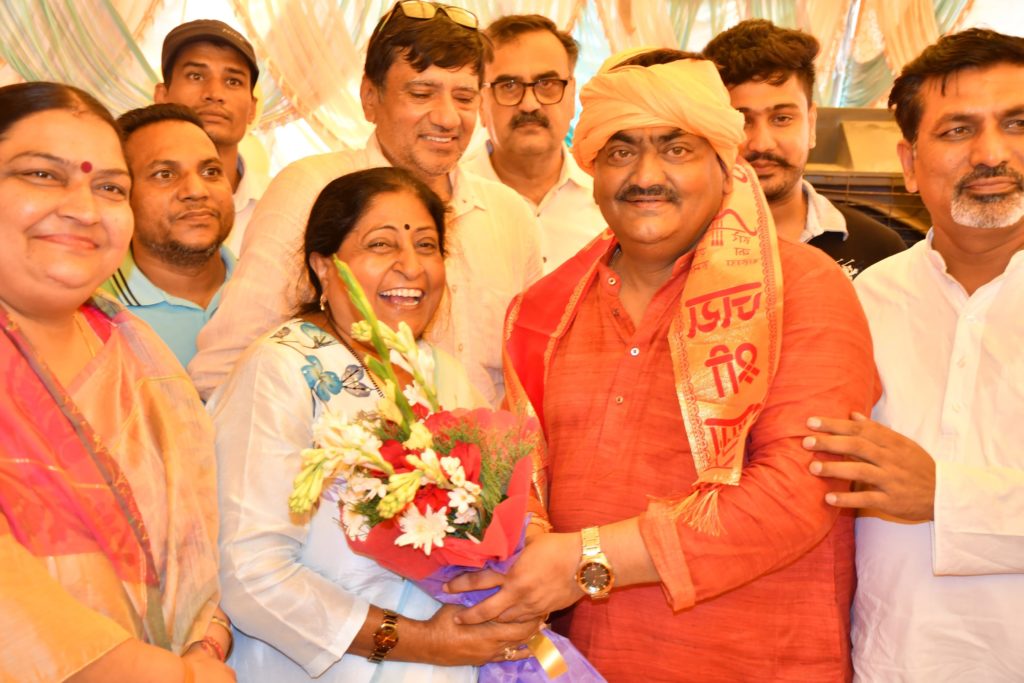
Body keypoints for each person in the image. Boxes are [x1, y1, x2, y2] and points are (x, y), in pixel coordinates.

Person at [447, 52, 880, 681]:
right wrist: (531, 544)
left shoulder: (801, 288)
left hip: (760, 662)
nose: (646, 175)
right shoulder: (545, 310)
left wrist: (581, 560)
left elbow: (799, 488)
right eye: (621, 151)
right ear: (592, 167)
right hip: (575, 665)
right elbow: (518, 479)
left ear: (724, 165)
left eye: (677, 149)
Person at [209, 167, 539, 682]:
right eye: (381, 245)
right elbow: (249, 574)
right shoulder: (283, 369)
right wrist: (423, 642)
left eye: (426, 245)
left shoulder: (442, 374)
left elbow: (505, 517)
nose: (411, 266)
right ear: (323, 265)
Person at [188, 1, 542, 406]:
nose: (447, 118)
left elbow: (526, 378)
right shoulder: (310, 190)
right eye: (421, 93)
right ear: (370, 97)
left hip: (481, 447)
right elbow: (226, 369)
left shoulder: (509, 215)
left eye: (464, 97)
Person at [806, 28, 1024, 681]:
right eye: (958, 130)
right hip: (891, 661)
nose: (992, 153)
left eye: (1017, 124)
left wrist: (944, 495)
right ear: (908, 163)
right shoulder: (861, 302)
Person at [0, 82, 233, 682]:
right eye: (42, 175)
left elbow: (194, 551)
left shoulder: (141, 359)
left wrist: (207, 642)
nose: (84, 209)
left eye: (109, 187)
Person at [704, 19, 906, 278]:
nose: (762, 143)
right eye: (742, 121)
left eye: (782, 118)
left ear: (811, 125)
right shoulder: (681, 248)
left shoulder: (879, 250)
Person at [463, 14, 605, 272]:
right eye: (509, 86)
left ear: (571, 94)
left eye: (547, 84)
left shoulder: (609, 200)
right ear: (481, 100)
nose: (529, 104)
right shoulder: (449, 203)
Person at [101, 104, 235, 368]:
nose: (196, 191)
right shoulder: (93, 313)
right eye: (165, 174)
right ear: (122, 194)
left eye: (210, 172)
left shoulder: (278, 294)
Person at [155, 19, 267, 256]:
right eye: (196, 76)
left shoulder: (282, 203)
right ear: (162, 96)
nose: (214, 94)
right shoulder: (127, 199)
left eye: (233, 81)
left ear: (252, 109)